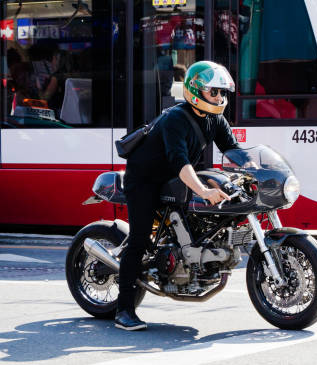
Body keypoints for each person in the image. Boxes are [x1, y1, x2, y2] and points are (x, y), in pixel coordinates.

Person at [116, 61, 239, 331]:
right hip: (145, 179)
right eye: (214, 92)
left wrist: (258, 170)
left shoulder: (215, 119)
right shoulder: (176, 119)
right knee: (138, 240)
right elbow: (180, 162)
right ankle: (124, 309)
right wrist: (204, 191)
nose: (220, 98)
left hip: (174, 178)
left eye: (222, 93)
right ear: (196, 89)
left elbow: (233, 149)